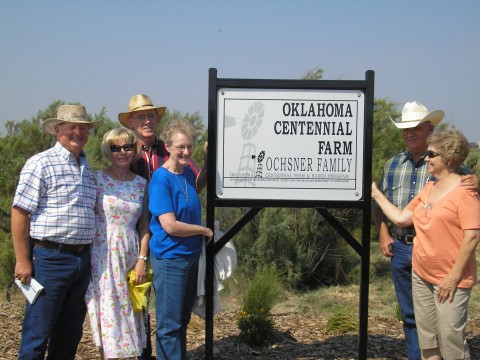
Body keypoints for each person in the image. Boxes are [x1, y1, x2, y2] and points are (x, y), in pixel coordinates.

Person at [374, 101, 478, 359]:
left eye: (415, 128)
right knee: (419, 325)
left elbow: (471, 229)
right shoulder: (398, 168)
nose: (409, 133)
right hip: (405, 253)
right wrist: (381, 227)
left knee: (450, 335)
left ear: (429, 130)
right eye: (405, 129)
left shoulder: (463, 180)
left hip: (445, 266)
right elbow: (399, 216)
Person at [118, 93, 208, 359]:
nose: (147, 120)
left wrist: (209, 157)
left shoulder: (175, 158)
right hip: (140, 236)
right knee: (140, 309)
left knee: (172, 316)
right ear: (131, 122)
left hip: (165, 239)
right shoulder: (125, 151)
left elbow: (196, 186)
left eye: (151, 116)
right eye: (141, 116)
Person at [11, 104, 101, 359]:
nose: (77, 132)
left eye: (82, 128)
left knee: (69, 335)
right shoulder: (40, 163)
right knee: (38, 332)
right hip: (50, 259)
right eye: (71, 127)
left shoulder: (87, 169)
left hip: (81, 261)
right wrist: (22, 260)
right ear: (57, 129)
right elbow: (20, 212)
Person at [148, 118, 213, 360]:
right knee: (169, 325)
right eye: (180, 147)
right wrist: (203, 231)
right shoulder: (161, 179)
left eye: (189, 146)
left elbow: (198, 186)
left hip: (190, 257)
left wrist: (206, 160)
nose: (186, 151)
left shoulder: (185, 173)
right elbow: (170, 225)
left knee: (182, 320)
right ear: (167, 147)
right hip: (170, 259)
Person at [85, 128, 151, 359]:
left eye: (127, 147)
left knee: (130, 310)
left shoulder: (142, 184)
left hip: (131, 254)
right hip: (102, 255)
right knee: (106, 309)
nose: (122, 152)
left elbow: (144, 226)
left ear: (134, 150)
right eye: (116, 148)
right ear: (108, 150)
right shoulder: (97, 179)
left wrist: (142, 259)